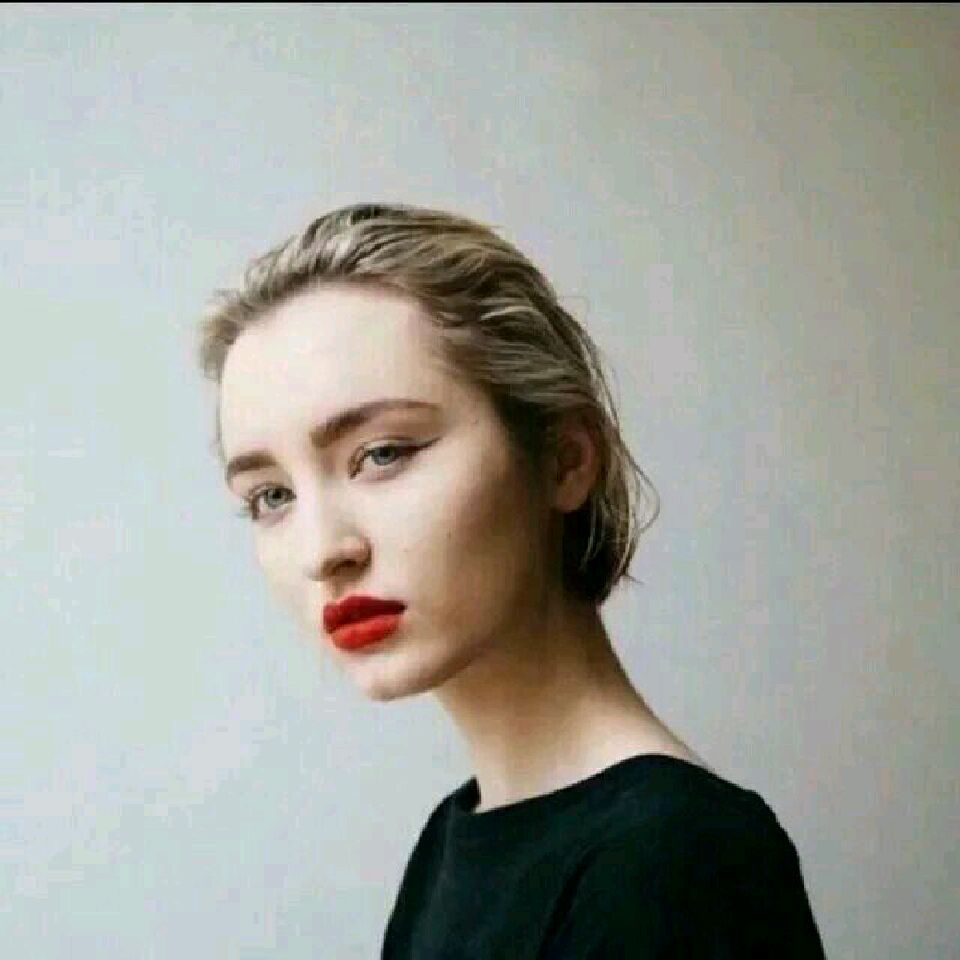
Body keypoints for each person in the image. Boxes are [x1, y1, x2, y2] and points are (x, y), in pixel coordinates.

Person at [196, 202, 827, 958]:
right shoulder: (451, 842)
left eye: (384, 453)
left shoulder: (676, 859)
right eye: (271, 496)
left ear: (564, 459)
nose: (324, 550)